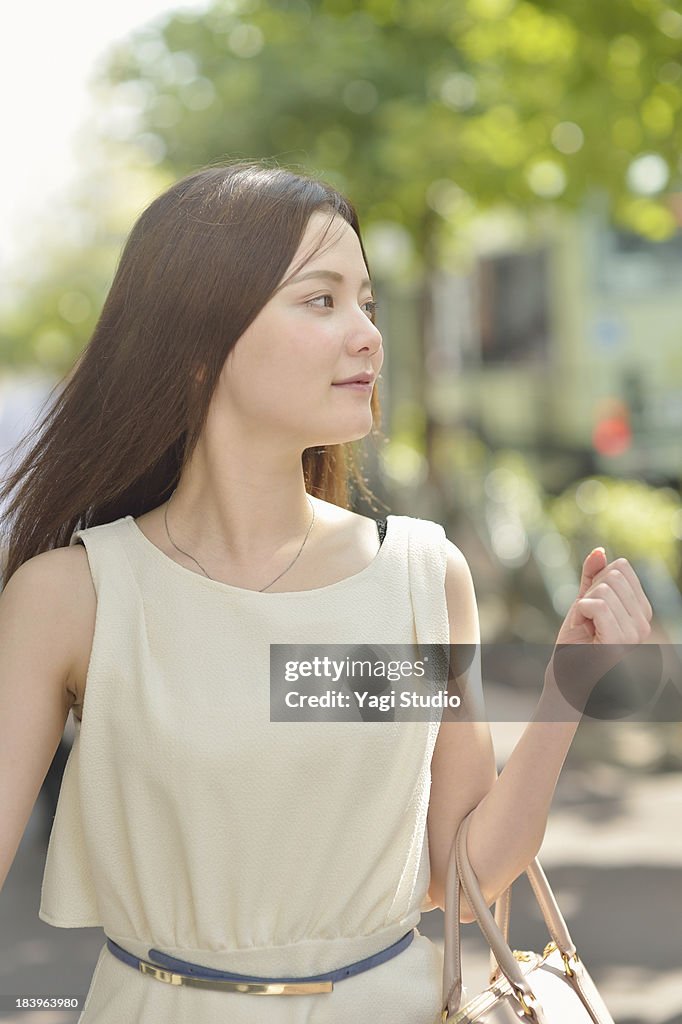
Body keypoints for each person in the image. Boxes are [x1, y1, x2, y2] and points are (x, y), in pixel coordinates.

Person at [0, 161, 652, 1024]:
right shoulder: (74, 595)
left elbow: (462, 878)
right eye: (322, 300)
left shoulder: (418, 575)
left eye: (368, 304)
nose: (369, 337)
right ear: (198, 343)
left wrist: (569, 688)